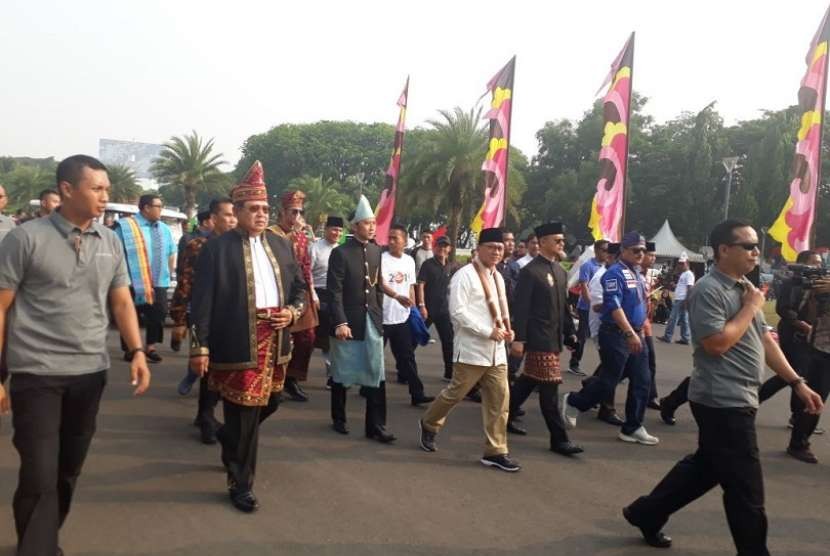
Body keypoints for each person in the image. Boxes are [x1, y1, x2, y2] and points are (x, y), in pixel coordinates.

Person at [622, 219, 823, 554]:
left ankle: (646, 512)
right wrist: (750, 307)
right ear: (723, 250)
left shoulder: (745, 288)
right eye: (748, 245)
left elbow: (765, 341)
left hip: (739, 396)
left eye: (756, 245)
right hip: (722, 400)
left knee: (706, 468)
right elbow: (716, 344)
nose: (756, 252)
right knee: (746, 490)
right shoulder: (709, 290)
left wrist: (796, 382)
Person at [0, 154, 151, 556]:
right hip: (37, 373)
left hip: (90, 372)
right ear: (67, 190)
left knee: (68, 470)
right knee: (39, 472)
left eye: (106, 189)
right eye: (97, 189)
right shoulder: (25, 238)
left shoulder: (111, 241)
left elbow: (121, 302)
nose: (105, 197)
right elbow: (1, 307)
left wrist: (136, 349)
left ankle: (44, 538)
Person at [189, 161, 306, 513]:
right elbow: (202, 301)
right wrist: (200, 346)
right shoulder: (216, 248)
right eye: (253, 209)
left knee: (269, 403)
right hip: (238, 338)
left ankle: (229, 438)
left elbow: (298, 287)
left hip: (277, 340)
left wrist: (293, 312)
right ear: (237, 211)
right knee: (243, 413)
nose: (260, 215)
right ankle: (240, 482)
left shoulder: (281, 244)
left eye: (265, 209)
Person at [419, 227, 521, 472]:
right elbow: (458, 312)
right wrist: (487, 331)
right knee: (455, 394)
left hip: (497, 351)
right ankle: (429, 423)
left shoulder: (498, 276)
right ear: (479, 249)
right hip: (472, 350)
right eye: (492, 247)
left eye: (500, 248)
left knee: (500, 400)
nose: (497, 252)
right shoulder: (464, 275)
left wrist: (508, 328)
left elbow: (502, 304)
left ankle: (495, 451)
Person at [561, 232, 658, 446]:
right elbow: (613, 305)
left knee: (642, 380)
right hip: (617, 334)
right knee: (610, 381)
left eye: (643, 250)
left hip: (636, 332)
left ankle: (633, 426)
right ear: (623, 251)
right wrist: (629, 332)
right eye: (636, 250)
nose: (641, 254)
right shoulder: (615, 273)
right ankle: (575, 401)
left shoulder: (637, 274)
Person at [327, 195, 403, 442]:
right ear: (355, 226)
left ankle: (376, 426)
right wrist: (340, 322)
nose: (372, 227)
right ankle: (339, 418)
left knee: (376, 372)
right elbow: (334, 291)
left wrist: (380, 314)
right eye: (367, 223)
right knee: (342, 372)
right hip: (347, 322)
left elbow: (377, 287)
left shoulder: (375, 250)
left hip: (371, 321)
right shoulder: (340, 253)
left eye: (373, 223)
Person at [507, 222, 582, 456]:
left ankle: (503, 415)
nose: (562, 244)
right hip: (538, 339)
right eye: (557, 240)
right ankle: (559, 440)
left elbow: (563, 307)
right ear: (543, 243)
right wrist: (519, 339)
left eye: (562, 240)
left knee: (527, 381)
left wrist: (570, 332)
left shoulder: (560, 271)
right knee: (550, 389)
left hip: (554, 338)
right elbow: (521, 308)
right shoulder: (530, 272)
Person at [169, 198, 237, 444]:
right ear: (214, 218)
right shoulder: (197, 246)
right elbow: (185, 283)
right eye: (227, 215)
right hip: (203, 316)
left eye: (234, 215)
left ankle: (203, 414)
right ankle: (206, 418)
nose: (232, 219)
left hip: (231, 318)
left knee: (221, 371)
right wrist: (179, 319)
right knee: (207, 369)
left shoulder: (242, 246)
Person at [268, 190, 318, 402]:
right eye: (292, 212)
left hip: (300, 293)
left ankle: (292, 378)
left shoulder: (300, 236)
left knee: (308, 337)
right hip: (276, 293)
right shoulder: (269, 234)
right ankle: (271, 379)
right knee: (277, 339)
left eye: (299, 212)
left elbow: (306, 266)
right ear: (282, 212)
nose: (296, 216)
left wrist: (312, 291)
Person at [114, 193, 177, 363]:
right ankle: (130, 348)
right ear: (146, 208)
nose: (161, 210)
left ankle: (150, 347)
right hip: (131, 280)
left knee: (159, 313)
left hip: (159, 281)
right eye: (159, 207)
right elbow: (116, 252)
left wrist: (168, 273)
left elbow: (171, 252)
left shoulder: (163, 228)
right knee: (130, 313)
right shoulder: (126, 227)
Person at [781, 261, 830, 463]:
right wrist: (815, 296)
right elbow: (810, 313)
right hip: (823, 350)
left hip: (820, 348)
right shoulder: (822, 286)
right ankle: (798, 443)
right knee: (815, 399)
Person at [382, 223, 434, 405]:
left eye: (395, 238)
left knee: (407, 357)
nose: (391, 241)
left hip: (402, 317)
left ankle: (417, 393)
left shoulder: (409, 261)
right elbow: (381, 284)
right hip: (382, 317)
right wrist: (397, 296)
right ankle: (367, 387)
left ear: (404, 241)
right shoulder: (382, 259)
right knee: (375, 356)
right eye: (389, 237)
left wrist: (415, 308)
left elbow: (410, 286)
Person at [417, 236, 459, 382]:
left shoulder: (451, 266)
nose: (442, 248)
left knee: (448, 341)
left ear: (449, 249)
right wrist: (421, 305)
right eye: (440, 246)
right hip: (427, 309)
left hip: (443, 311)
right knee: (414, 338)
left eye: (445, 246)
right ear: (435, 247)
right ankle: (404, 370)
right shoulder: (428, 265)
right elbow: (421, 285)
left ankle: (449, 373)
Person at [310, 215, 344, 381]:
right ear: (326, 229)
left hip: (335, 296)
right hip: (317, 295)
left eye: (339, 230)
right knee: (311, 338)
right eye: (334, 229)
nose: (336, 233)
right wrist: (313, 295)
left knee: (334, 336)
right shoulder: (315, 248)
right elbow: (306, 274)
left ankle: (332, 373)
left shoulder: (341, 250)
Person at [569, 239, 609, 376]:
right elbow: (584, 287)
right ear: (597, 250)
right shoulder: (588, 265)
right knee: (582, 336)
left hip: (600, 307)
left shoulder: (606, 267)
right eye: (604, 250)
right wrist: (592, 305)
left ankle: (609, 367)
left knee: (601, 337)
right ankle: (574, 363)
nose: (606, 253)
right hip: (586, 307)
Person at [659, 253, 695, 345]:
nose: (681, 265)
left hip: (682, 299)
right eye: (680, 263)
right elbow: (684, 287)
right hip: (681, 298)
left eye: (682, 263)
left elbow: (690, 288)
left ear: (687, 263)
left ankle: (668, 336)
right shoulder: (684, 274)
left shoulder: (689, 274)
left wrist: (687, 300)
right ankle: (685, 338)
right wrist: (675, 285)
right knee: (683, 320)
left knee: (673, 318)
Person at [642, 242, 661, 409]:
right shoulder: (634, 274)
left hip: (645, 326)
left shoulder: (649, 277)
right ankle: (592, 387)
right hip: (632, 327)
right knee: (618, 368)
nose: (652, 258)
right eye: (650, 255)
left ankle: (650, 395)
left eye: (654, 255)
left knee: (650, 362)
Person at [176, 209, 213, 277]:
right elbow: (181, 263)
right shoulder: (188, 239)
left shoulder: (216, 239)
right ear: (205, 223)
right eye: (213, 219)